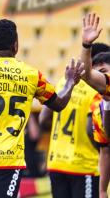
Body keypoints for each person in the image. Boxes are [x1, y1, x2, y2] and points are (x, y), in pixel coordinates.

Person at [0, 19, 84, 198]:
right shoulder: (31, 75)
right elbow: (59, 104)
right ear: (16, 46)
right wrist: (69, 82)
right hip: (8, 160)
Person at [38, 46, 103, 198]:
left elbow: (43, 119)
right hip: (83, 165)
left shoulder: (64, 83)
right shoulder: (96, 90)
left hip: (56, 163)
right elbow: (90, 129)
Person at [90, 52, 110, 198]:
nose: (99, 79)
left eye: (102, 73)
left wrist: (86, 46)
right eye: (96, 74)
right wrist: (102, 191)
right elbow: (106, 149)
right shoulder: (97, 106)